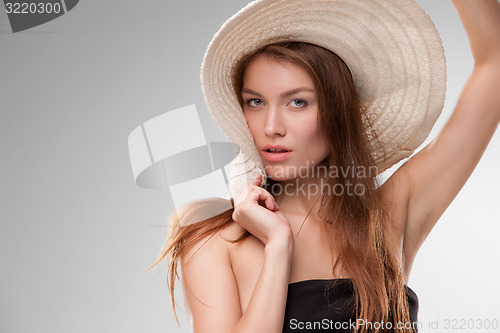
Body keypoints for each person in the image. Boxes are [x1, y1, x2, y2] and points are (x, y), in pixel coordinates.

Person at [147, 0, 500, 332]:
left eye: (297, 102)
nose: (272, 126)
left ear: (337, 111)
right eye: (255, 102)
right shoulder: (215, 236)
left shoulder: (389, 216)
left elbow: (494, 64)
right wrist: (278, 246)